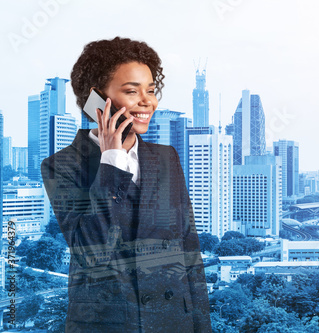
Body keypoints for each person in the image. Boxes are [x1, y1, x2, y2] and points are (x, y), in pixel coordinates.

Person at [41, 37, 211, 332]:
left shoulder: (166, 157)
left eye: (151, 91)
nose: (148, 102)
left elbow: (189, 252)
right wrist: (112, 161)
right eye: (132, 91)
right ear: (97, 100)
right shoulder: (63, 165)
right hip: (109, 323)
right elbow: (91, 252)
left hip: (173, 320)